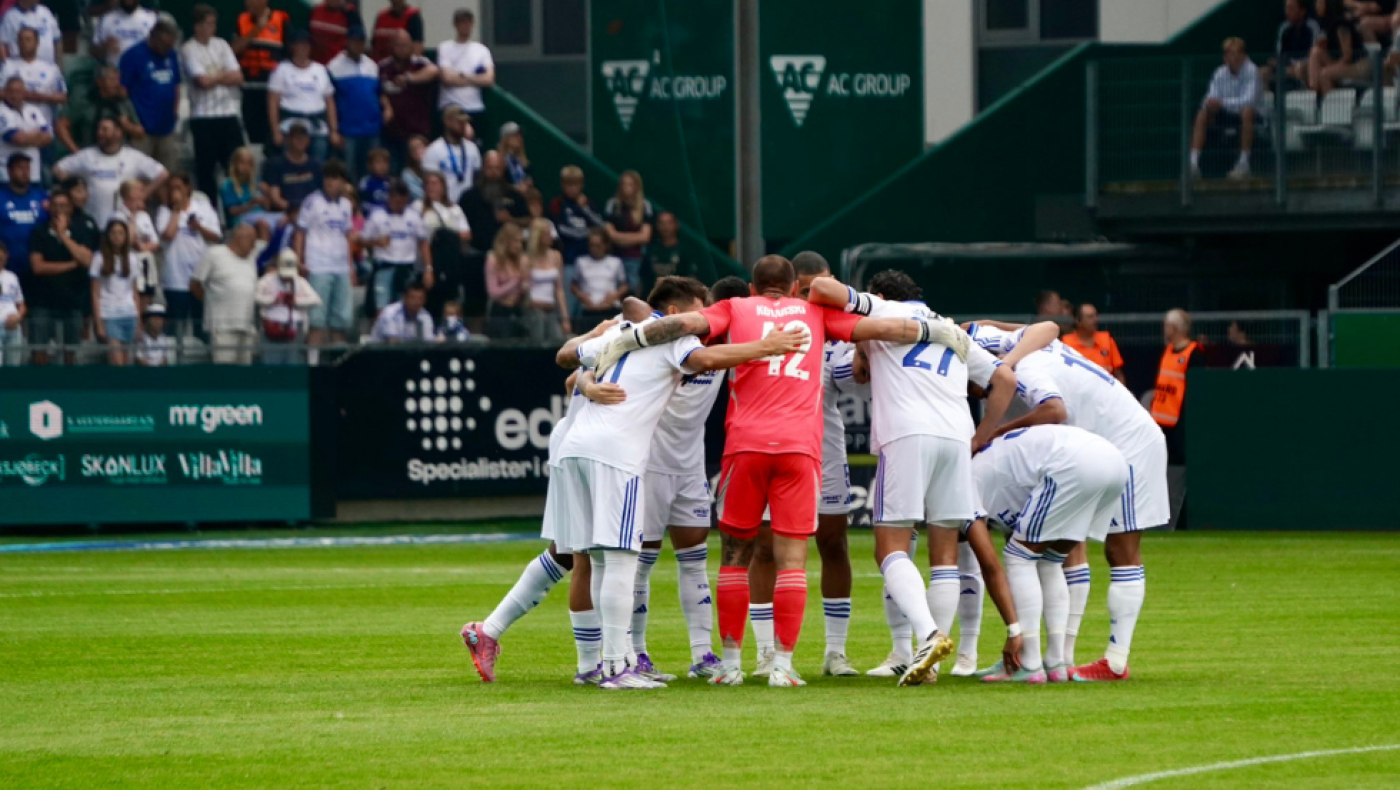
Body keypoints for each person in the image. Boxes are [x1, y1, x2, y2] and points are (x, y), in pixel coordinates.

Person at [588, 256, 970, 687]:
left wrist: (623, 341)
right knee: (793, 561)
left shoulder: (734, 309)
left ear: (752, 289)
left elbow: (678, 323)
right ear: (792, 289)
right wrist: (935, 332)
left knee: (735, 558)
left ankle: (730, 663)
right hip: (799, 450)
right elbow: (884, 330)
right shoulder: (816, 313)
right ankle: (784, 666)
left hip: (744, 447)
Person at [538, 286, 807, 691]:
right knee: (623, 559)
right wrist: (766, 346)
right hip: (619, 454)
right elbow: (708, 358)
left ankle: (610, 663)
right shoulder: (675, 341)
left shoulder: (620, 336)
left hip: (578, 447)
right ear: (674, 315)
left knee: (600, 558)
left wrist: (590, 372)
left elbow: (569, 358)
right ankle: (618, 666)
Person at [808, 269, 1015, 686]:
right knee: (945, 556)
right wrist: (981, 436)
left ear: (880, 293)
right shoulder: (950, 327)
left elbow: (820, 288)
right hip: (956, 436)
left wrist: (867, 317)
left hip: (907, 434)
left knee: (889, 548)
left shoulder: (885, 308)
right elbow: (1004, 379)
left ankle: (928, 636)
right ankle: (931, 664)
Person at [964, 317, 1170, 682]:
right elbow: (1044, 326)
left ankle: (1113, 661)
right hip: (1110, 443)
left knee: (1117, 551)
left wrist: (996, 432)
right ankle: (1057, 658)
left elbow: (1054, 410)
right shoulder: (1033, 344)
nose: (979, 390)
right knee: (1056, 550)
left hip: (1126, 444)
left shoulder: (1024, 363)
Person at [971, 425, 1129, 683]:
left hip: (1074, 462)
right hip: (1114, 462)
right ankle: (1057, 662)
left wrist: (1014, 632)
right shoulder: (990, 472)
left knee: (1019, 556)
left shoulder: (966, 485)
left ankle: (1030, 663)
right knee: (1050, 560)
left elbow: (992, 567)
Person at [54, 116, 167, 229]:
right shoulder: (87, 155)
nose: (99, 133)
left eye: (105, 129)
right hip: (93, 221)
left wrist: (142, 196)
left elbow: (162, 174)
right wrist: (74, 191)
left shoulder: (133, 156)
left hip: (122, 226)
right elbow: (58, 169)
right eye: (98, 129)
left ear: (118, 133)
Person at [182, 4, 245, 200]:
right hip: (204, 117)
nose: (213, 28)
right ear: (197, 26)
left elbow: (239, 77)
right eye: (208, 24)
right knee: (206, 171)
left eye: (214, 23)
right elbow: (202, 81)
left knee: (236, 167)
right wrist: (225, 75)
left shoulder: (222, 45)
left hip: (228, 113)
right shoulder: (188, 49)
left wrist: (215, 77)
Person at [295, 160, 357, 348]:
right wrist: (299, 260)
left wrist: (351, 266)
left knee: (341, 321)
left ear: (343, 182)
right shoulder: (312, 201)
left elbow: (347, 237)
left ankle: (337, 366)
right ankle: (313, 366)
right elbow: (300, 232)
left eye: (335, 178)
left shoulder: (347, 205)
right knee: (317, 322)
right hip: (318, 266)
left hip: (341, 268)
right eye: (328, 177)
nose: (331, 182)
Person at [28, 188, 93, 365]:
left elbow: (87, 260)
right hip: (43, 302)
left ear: (71, 208)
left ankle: (69, 389)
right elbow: (38, 267)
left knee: (70, 352)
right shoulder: (39, 233)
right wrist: (72, 264)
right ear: (49, 208)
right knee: (39, 351)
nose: (59, 210)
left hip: (72, 301)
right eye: (55, 205)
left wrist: (63, 235)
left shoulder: (80, 231)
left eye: (64, 206)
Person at [157, 174, 222, 338]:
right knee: (175, 328)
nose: (174, 192)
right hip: (175, 280)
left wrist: (198, 227)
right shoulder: (164, 211)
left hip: (200, 280)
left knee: (201, 327)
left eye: (178, 187)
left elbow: (216, 236)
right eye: (171, 188)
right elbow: (168, 235)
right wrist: (176, 210)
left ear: (188, 189)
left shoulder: (203, 208)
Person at [1190, 38, 1262, 181]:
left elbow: (1248, 100)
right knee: (1202, 113)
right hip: (1226, 114)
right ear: (1225, 57)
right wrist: (1210, 104)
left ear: (1243, 56)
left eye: (1237, 53)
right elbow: (1210, 97)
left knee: (1247, 111)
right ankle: (1193, 164)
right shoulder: (1219, 73)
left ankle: (1243, 164)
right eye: (1230, 54)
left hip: (1254, 116)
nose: (1234, 57)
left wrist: (1221, 103)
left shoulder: (1252, 71)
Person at [192, 222, 262, 365]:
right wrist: (211, 302)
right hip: (222, 325)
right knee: (225, 371)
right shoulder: (214, 254)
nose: (254, 246)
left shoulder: (251, 258)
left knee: (244, 373)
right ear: (240, 239)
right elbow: (195, 284)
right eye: (252, 242)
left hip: (247, 325)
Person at [119, 18, 181, 177]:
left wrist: (175, 110)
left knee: (168, 175)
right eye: (165, 44)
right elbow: (122, 91)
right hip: (142, 129)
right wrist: (129, 123)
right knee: (140, 177)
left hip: (166, 128)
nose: (168, 48)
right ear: (154, 37)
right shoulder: (133, 55)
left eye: (171, 44)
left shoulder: (171, 55)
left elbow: (176, 84)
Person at [269, 30, 338, 162]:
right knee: (290, 164)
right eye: (300, 44)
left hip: (317, 128)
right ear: (292, 47)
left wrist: (333, 130)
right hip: (290, 126)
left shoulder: (320, 70)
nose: (303, 48)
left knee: (318, 166)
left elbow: (329, 102)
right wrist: (275, 131)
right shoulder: (282, 69)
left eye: (306, 45)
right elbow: (273, 101)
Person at [363, 179, 430, 314]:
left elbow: (423, 243)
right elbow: (362, 240)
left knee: (407, 309)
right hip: (384, 267)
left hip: (406, 268)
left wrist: (429, 268)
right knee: (381, 309)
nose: (399, 205)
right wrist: (377, 242)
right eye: (396, 201)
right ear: (389, 197)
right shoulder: (377, 215)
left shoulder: (414, 215)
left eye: (402, 201)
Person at [378, 30, 438, 174]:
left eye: (405, 45)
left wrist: (409, 78)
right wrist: (386, 106)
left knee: (417, 172)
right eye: (398, 45)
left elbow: (434, 71)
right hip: (391, 132)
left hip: (416, 132)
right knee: (393, 172)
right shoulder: (383, 66)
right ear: (392, 46)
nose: (402, 49)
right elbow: (378, 90)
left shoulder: (419, 63)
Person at [329, 26, 385, 180]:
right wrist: (334, 130)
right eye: (354, 42)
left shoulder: (372, 66)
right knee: (348, 172)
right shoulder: (334, 67)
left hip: (372, 129)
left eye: (361, 42)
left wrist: (387, 108)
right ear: (347, 42)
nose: (358, 45)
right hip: (348, 130)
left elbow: (379, 93)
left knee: (373, 172)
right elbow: (330, 101)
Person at [233, 0, 290, 147]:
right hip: (249, 91)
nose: (247, 2)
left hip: (273, 93)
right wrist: (256, 29)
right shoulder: (241, 20)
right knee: (251, 140)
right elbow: (233, 50)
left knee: (273, 140)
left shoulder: (281, 19)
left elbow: (288, 57)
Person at [1152, 308, 1205, 465]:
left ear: (1174, 328)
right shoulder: (1167, 351)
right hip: (1161, 421)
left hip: (1180, 423)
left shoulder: (1194, 353)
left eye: (1166, 326)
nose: (1164, 329)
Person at [549, 164, 602, 317]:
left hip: (589, 261)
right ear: (562, 185)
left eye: (576, 184)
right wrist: (586, 232)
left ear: (581, 185)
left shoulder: (588, 203)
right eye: (568, 184)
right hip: (568, 261)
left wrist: (584, 209)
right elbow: (561, 230)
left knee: (588, 302)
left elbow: (600, 226)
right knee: (568, 301)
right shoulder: (557, 204)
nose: (572, 188)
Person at [56, 65, 143, 155]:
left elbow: (140, 132)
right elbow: (61, 126)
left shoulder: (123, 102)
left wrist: (127, 125)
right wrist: (76, 152)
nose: (116, 84)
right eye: (112, 80)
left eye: (118, 80)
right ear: (100, 82)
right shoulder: (84, 100)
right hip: (90, 154)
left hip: (119, 157)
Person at [256, 248, 322, 364]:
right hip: (272, 327)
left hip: (294, 328)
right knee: (271, 363)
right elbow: (256, 297)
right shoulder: (267, 280)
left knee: (293, 362)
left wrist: (296, 301)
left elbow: (316, 300)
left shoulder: (300, 282)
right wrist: (273, 300)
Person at [89, 217, 140, 365]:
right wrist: (98, 322)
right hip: (109, 314)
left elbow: (134, 292)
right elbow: (95, 293)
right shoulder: (99, 258)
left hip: (129, 313)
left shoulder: (132, 258)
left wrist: (139, 321)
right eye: (113, 233)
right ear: (108, 235)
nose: (117, 237)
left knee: (127, 361)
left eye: (121, 233)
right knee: (116, 362)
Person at [1, 26, 68, 133]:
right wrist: (19, 94)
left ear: (37, 43)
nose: (24, 43)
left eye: (28, 39)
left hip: (43, 127)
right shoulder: (7, 66)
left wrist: (39, 96)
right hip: (14, 127)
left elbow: (63, 97)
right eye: (21, 40)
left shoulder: (51, 68)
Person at [436, 9, 493, 124]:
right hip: (450, 108)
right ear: (455, 25)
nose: (466, 26)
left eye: (468, 23)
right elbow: (447, 78)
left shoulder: (482, 50)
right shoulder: (445, 48)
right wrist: (476, 78)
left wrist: (462, 75)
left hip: (475, 107)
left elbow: (489, 79)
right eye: (462, 23)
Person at [0, 152, 47, 292]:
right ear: (9, 171)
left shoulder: (41, 197)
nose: (24, 172)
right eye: (20, 168)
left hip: (35, 267)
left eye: (27, 168)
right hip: (7, 266)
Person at [604, 170, 654, 297]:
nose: (626, 188)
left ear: (637, 187)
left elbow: (645, 236)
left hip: (635, 258)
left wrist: (619, 237)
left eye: (630, 184)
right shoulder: (612, 204)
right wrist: (633, 237)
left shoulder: (645, 206)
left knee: (633, 289)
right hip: (614, 256)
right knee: (614, 290)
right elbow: (610, 234)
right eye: (623, 184)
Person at [522, 217, 568, 344]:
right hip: (534, 308)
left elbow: (559, 289)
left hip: (551, 308)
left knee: (557, 339)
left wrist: (565, 317)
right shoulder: (527, 259)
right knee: (538, 339)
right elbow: (525, 287)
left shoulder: (556, 256)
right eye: (547, 234)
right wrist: (533, 303)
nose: (551, 237)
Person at [572, 226, 626, 333]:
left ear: (605, 245)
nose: (595, 249)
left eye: (598, 246)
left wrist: (615, 295)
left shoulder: (615, 262)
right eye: (592, 245)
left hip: (609, 309)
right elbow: (573, 285)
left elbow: (624, 285)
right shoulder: (581, 262)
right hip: (589, 309)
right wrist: (581, 295)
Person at [262, 120, 322, 215]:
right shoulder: (276, 164)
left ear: (308, 141)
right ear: (289, 140)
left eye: (303, 138)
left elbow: (322, 194)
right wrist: (294, 211)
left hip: (313, 212)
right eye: (297, 138)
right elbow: (275, 198)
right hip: (285, 213)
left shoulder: (316, 165)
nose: (300, 141)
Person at [1060, 302, 1127, 384]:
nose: (1095, 320)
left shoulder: (1107, 340)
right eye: (1090, 317)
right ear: (1078, 321)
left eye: (1096, 316)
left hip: (1106, 392)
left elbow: (1119, 375)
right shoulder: (1066, 343)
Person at [0, 76, 51, 185]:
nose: (14, 95)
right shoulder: (1, 112)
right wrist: (37, 134)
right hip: (7, 175)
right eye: (11, 91)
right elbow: (16, 138)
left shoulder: (33, 110)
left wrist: (26, 136)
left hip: (33, 173)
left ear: (24, 93)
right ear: (4, 92)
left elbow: (48, 137)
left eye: (18, 91)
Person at [1261, 0, 1323, 89]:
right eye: (1286, 8)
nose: (1287, 11)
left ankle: (1306, 97)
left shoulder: (1312, 26)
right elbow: (1279, 55)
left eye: (1291, 8)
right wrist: (1285, 66)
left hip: (1305, 66)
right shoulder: (1283, 28)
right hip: (1287, 66)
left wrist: (1298, 66)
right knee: (1263, 72)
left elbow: (1314, 53)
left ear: (1302, 11)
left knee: (1300, 69)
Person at [423, 106, 480, 203]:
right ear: (447, 122)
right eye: (459, 122)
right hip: (444, 204)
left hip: (468, 204)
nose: (463, 125)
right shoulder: (434, 150)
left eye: (464, 122)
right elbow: (429, 182)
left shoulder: (472, 148)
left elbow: (477, 177)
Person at [1310, 0, 1368, 94]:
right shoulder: (1325, 24)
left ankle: (1332, 107)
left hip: (1357, 64)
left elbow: (1347, 57)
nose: (1316, 6)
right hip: (1340, 62)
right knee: (1315, 52)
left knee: (1324, 74)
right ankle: (1314, 91)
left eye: (1319, 3)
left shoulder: (1341, 25)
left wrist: (1330, 67)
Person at [484, 223, 526, 338]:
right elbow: (493, 292)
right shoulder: (493, 259)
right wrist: (514, 282)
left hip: (517, 309)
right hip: (500, 311)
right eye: (515, 241)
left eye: (521, 242)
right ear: (506, 241)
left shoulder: (520, 260)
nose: (519, 246)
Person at [640, 211, 691, 298]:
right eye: (662, 223)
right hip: (653, 298)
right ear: (657, 226)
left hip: (677, 297)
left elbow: (690, 278)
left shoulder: (685, 250)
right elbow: (643, 278)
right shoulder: (651, 249)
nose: (665, 227)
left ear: (676, 225)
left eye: (669, 223)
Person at [93, 0, 157, 66]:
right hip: (116, 71)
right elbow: (93, 51)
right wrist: (105, 47)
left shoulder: (152, 18)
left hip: (144, 70)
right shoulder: (107, 18)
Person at [369, 278, 433, 342]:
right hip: (380, 350)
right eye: (412, 298)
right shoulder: (390, 313)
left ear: (425, 300)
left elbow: (428, 342)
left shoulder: (425, 316)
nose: (417, 302)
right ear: (404, 298)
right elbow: (392, 342)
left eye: (420, 298)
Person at [0, 0, 63, 65]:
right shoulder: (9, 16)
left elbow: (57, 40)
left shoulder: (45, 12)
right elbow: (2, 45)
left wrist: (59, 66)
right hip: (20, 70)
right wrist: (7, 67)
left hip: (48, 70)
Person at [220, 147, 270, 228]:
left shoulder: (257, 182)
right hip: (241, 219)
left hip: (262, 215)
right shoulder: (228, 185)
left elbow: (267, 208)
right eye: (242, 163)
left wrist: (267, 195)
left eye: (249, 164)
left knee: (283, 221)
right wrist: (251, 203)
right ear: (235, 164)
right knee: (262, 223)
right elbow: (232, 212)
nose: (246, 167)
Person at [309, 0, 364, 66]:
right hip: (316, 66)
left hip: (340, 67)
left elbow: (358, 42)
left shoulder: (351, 15)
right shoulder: (315, 11)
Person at [0, 239, 23, 364]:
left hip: (13, 329)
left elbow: (21, 303)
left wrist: (18, 317)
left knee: (13, 368)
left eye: (1, 259)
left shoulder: (12, 277)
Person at [497, 121, 531, 191]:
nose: (519, 138)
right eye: (515, 135)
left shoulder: (519, 159)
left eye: (520, 135)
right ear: (506, 138)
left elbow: (529, 177)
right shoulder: (497, 159)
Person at [358, 148, 392, 214]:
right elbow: (363, 204)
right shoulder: (365, 182)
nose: (382, 166)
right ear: (370, 165)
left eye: (385, 162)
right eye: (378, 162)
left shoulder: (392, 182)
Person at [400, 134, 429, 199]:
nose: (416, 150)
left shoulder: (437, 167)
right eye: (412, 149)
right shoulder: (407, 174)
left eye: (419, 147)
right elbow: (417, 196)